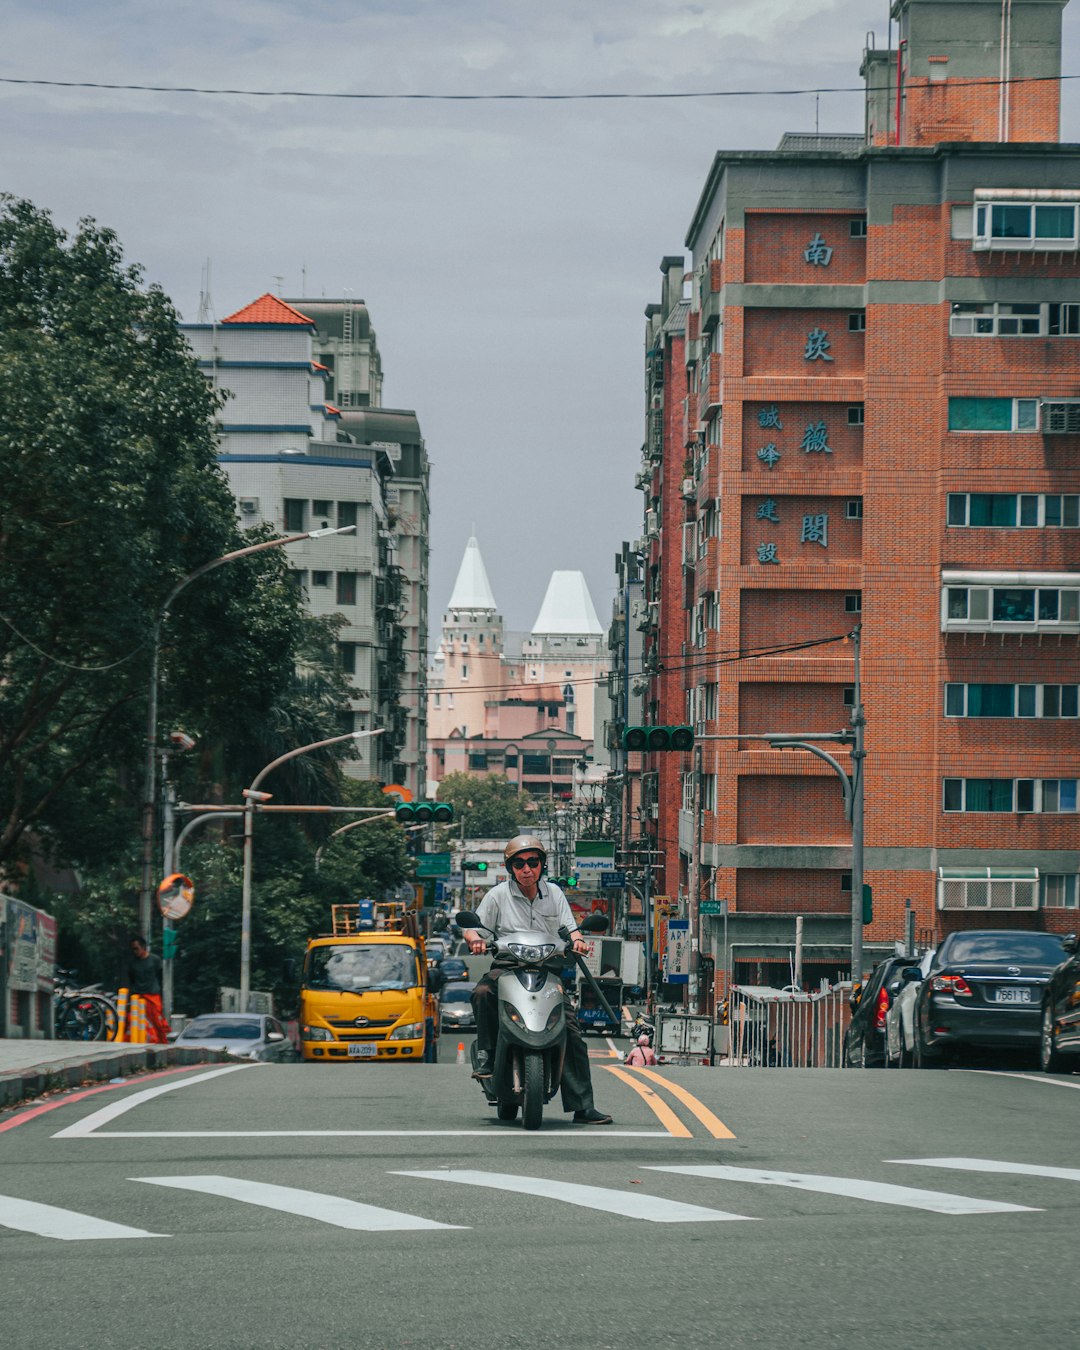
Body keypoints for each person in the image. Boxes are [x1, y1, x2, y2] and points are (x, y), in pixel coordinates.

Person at [464, 835, 612, 1125]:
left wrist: (578, 941)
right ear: (511, 868)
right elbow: (475, 929)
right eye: (519, 864)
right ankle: (486, 1053)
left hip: (547, 970)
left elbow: (571, 928)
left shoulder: (555, 893)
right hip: (506, 968)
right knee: (482, 992)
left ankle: (583, 1107)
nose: (527, 869)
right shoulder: (497, 895)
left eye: (533, 862)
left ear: (542, 864)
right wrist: (475, 940)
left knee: (570, 1029)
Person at [122, 936, 170, 1043]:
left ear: (143, 947)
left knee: (157, 1023)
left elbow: (160, 976)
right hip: (137, 997)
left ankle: (162, 1043)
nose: (135, 952)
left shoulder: (155, 960)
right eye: (133, 949)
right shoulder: (132, 962)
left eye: (136, 948)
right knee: (133, 1022)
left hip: (152, 995)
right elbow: (132, 979)